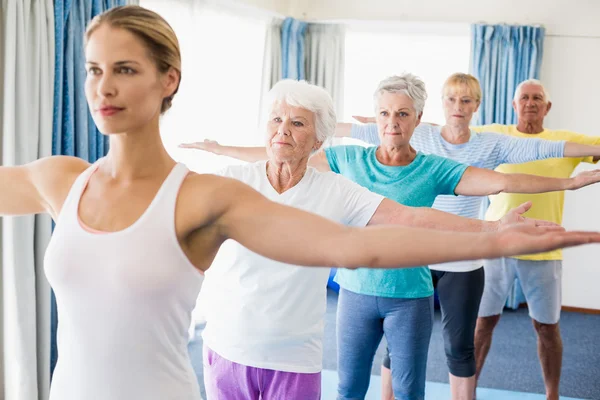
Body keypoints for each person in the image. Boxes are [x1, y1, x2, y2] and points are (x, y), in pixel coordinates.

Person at [5, 6, 598, 400]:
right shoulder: (61, 178)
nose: (102, 86)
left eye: (125, 69)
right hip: (203, 357)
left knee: (414, 374)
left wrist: (492, 238)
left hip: (307, 343)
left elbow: (367, 239)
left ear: (168, 80)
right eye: (92, 69)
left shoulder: (214, 195)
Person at [180, 73, 600, 400]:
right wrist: (221, 150)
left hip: (344, 328)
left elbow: (418, 216)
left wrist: (500, 225)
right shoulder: (249, 179)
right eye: (276, 120)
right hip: (251, 338)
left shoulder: (350, 185)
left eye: (296, 123)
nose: (283, 131)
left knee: (416, 379)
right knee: (351, 386)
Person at [338, 73, 600, 400]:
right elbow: (358, 129)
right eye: (451, 99)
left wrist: (571, 181)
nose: (458, 107)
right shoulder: (422, 133)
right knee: (398, 345)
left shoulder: (490, 142)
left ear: (477, 105)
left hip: (463, 261)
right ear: (439, 105)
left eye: (466, 100)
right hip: (418, 257)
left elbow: (542, 150)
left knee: (460, 348)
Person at [471, 79, 600, 400]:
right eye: (524, 98)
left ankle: (552, 394)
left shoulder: (564, 142)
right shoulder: (496, 135)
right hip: (496, 245)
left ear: (547, 107)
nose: (530, 103)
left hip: (544, 249)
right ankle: (466, 391)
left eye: (537, 98)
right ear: (514, 105)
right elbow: (449, 132)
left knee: (547, 328)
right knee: (483, 323)